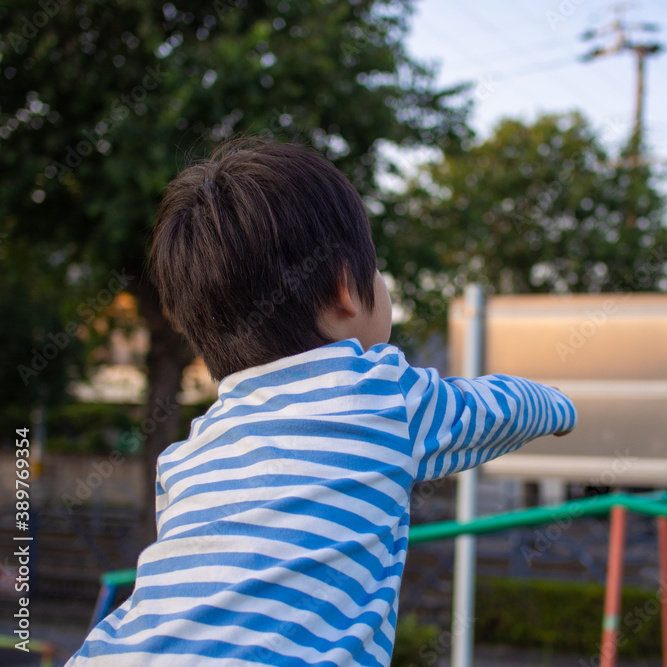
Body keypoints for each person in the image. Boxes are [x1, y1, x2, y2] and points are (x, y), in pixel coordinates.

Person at [68, 137, 576, 666]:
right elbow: (498, 408)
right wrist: (560, 405)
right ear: (345, 292)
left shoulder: (191, 451)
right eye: (376, 268)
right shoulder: (380, 395)